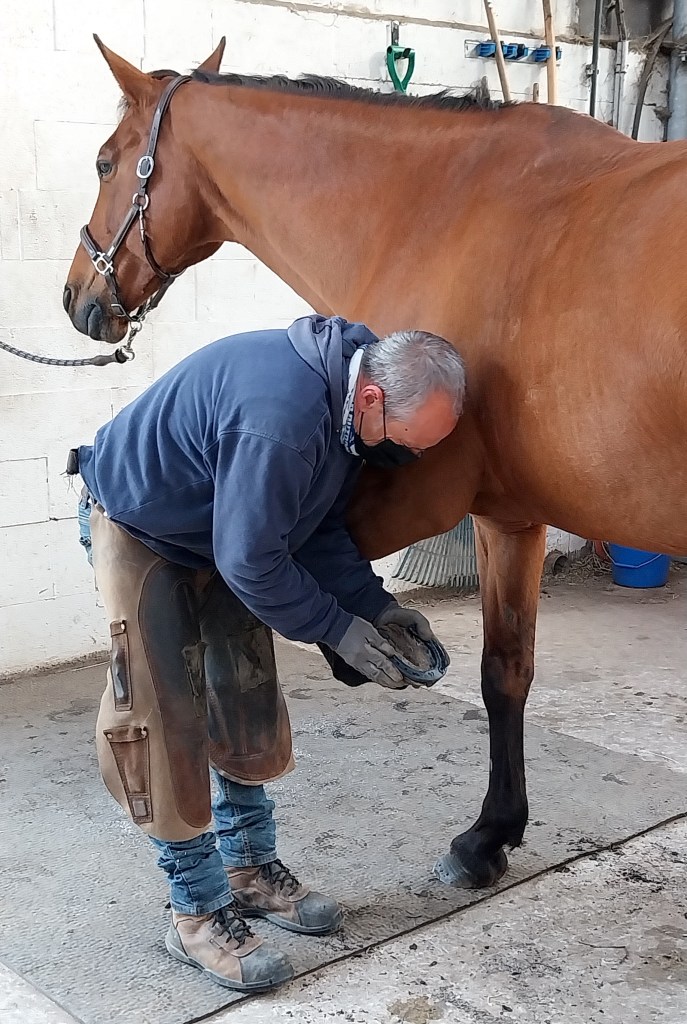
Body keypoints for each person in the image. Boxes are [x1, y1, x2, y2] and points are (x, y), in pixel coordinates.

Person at [70, 314, 466, 993]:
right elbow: (252, 562)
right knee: (166, 720)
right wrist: (336, 629)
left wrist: (371, 606)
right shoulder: (281, 419)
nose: (406, 459)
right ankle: (196, 913)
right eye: (405, 445)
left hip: (219, 534)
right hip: (142, 526)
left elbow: (311, 527)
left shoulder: (345, 410)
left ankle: (249, 870)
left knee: (243, 699)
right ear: (373, 397)